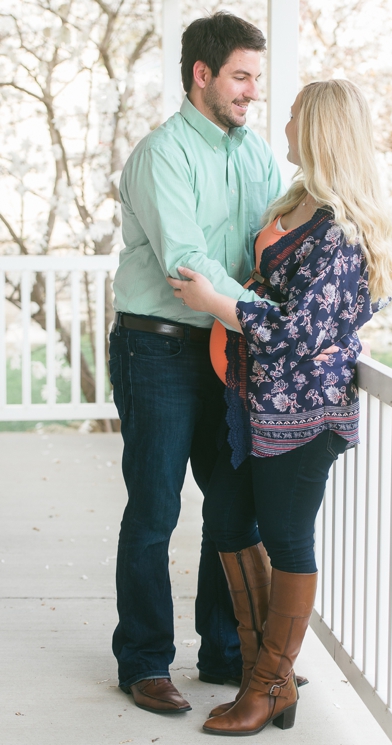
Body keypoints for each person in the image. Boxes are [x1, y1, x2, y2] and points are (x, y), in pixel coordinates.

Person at [168, 79, 392, 736]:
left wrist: (217, 304)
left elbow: (301, 332)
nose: (285, 123)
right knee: (226, 517)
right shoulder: (298, 200)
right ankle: (264, 677)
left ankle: (269, 682)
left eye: (295, 115)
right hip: (256, 402)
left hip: (305, 412)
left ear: (321, 129)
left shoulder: (341, 233)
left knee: (287, 537)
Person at [110, 12, 283, 713]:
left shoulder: (258, 153)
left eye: (256, 79)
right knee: (155, 507)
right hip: (158, 346)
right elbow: (187, 262)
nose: (252, 92)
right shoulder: (163, 154)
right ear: (201, 75)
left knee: (232, 506)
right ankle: (144, 660)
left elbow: (273, 245)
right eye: (240, 77)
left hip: (228, 346)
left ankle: (226, 651)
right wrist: (269, 316)